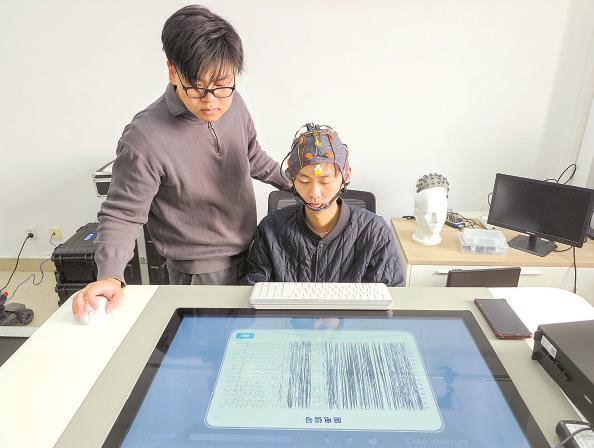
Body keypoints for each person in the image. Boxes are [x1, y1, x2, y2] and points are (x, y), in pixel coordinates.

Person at [73, 5, 289, 319]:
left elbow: (252, 154)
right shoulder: (144, 137)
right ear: (173, 71)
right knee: (208, 344)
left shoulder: (234, 103)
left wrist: (296, 184)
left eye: (222, 86)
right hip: (200, 273)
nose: (212, 102)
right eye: (198, 88)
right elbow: (122, 215)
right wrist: (110, 276)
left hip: (253, 251)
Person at [244, 123, 404, 286]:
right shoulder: (270, 228)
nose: (314, 193)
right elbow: (255, 288)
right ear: (292, 179)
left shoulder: (375, 231)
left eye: (325, 181)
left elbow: (389, 293)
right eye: (304, 180)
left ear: (346, 176)